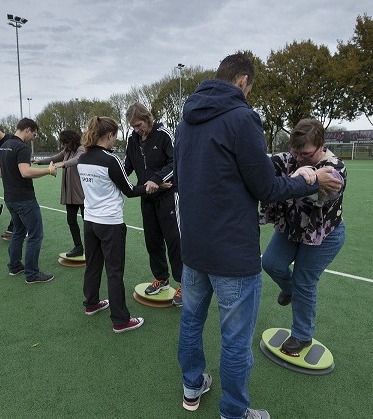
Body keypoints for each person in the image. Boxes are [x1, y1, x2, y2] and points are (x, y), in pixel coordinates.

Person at [174, 53, 342, 419]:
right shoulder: (242, 117)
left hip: (194, 246)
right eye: (250, 87)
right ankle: (234, 412)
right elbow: (266, 187)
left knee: (191, 321)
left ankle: (192, 385)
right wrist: (307, 178)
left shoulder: (184, 121)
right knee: (234, 339)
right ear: (242, 81)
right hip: (232, 251)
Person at [260, 119, 347, 356]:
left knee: (304, 281)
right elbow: (260, 169)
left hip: (323, 235)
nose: (298, 158)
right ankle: (289, 289)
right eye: (295, 152)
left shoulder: (335, 168)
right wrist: (300, 173)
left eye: (306, 154)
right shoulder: (289, 160)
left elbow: (318, 197)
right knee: (270, 263)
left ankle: (302, 335)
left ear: (321, 145)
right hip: (292, 228)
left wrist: (298, 179)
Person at [78, 116, 163, 333]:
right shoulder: (110, 159)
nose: (116, 140)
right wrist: (155, 185)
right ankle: (120, 320)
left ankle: (91, 303)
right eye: (115, 136)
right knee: (114, 271)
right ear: (109, 135)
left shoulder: (83, 158)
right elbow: (130, 190)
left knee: (93, 264)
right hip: (110, 223)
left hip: (90, 220)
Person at [124, 103, 184, 306]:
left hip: (168, 194)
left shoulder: (164, 134)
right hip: (147, 197)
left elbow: (176, 162)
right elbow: (127, 166)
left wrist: (157, 179)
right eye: (133, 126)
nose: (136, 129)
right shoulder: (132, 140)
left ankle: (184, 283)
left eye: (138, 124)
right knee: (152, 240)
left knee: (174, 240)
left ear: (148, 119)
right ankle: (161, 278)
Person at [0, 118, 58, 283]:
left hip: (10, 197)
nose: (33, 138)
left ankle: (14, 266)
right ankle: (31, 274)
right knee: (35, 235)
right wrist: (48, 170)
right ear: (28, 130)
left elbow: (2, 173)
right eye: (34, 134)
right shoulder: (21, 147)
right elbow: (25, 172)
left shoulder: (3, 146)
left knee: (18, 232)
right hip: (24, 199)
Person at [33, 130, 86, 257]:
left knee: (88, 223)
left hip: (83, 194)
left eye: (65, 142)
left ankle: (94, 248)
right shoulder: (66, 151)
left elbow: (78, 160)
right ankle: (78, 247)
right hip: (70, 194)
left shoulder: (81, 149)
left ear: (71, 140)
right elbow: (53, 158)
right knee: (71, 220)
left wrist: (63, 164)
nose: (64, 146)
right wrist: (38, 161)